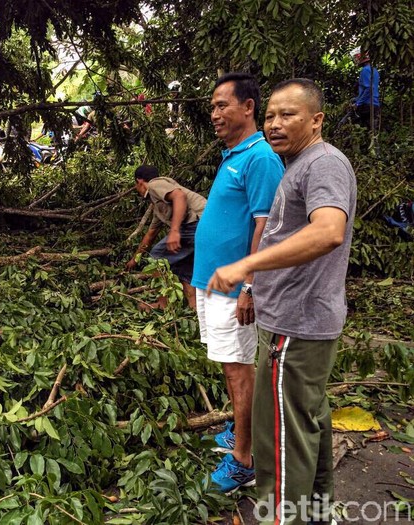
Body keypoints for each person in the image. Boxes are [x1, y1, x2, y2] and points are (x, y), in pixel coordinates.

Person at [207, 78, 357, 524]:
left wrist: (243, 268)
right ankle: (315, 513)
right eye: (271, 115)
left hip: (297, 325)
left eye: (287, 114)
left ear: (316, 120)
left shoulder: (324, 164)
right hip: (295, 322)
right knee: (306, 423)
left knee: (280, 440)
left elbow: (328, 231)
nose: (275, 123)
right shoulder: (298, 164)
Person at [191, 72, 284, 493]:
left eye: (222, 105)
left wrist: (250, 284)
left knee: (238, 371)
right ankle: (239, 431)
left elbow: (267, 227)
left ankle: (244, 461)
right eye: (212, 106)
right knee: (232, 368)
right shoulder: (234, 154)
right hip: (212, 284)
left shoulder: (260, 157)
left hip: (234, 290)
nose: (214, 114)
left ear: (248, 107)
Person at [126, 165, 206, 310]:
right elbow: (150, 234)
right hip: (200, 226)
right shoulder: (158, 205)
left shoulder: (155, 184)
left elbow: (179, 196)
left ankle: (163, 304)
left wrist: (174, 231)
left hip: (198, 222)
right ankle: (194, 307)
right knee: (184, 266)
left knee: (157, 258)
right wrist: (135, 259)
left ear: (139, 181)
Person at [351, 47, 380, 131]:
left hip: (367, 105)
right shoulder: (374, 70)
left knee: (357, 127)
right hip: (375, 104)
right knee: (372, 131)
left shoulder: (365, 70)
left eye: (356, 57)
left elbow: (368, 89)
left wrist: (358, 103)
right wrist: (356, 99)